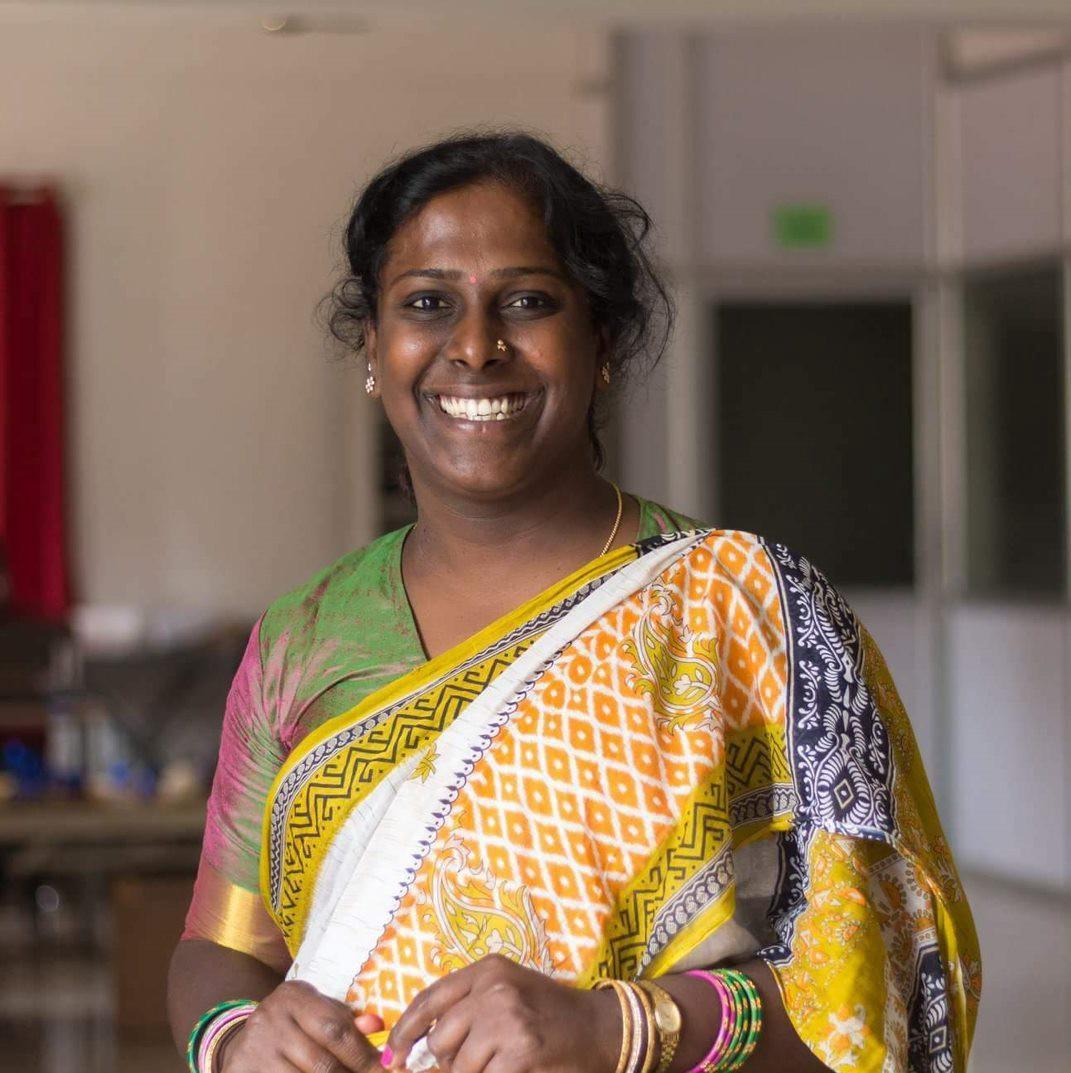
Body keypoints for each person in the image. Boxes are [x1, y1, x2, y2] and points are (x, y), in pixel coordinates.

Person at [168, 132, 980, 1073]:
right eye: (426, 303)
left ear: (603, 342)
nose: (474, 346)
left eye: (527, 301)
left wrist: (625, 1026)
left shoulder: (752, 610)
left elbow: (888, 976)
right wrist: (234, 1035)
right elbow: (222, 948)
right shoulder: (300, 637)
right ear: (373, 348)